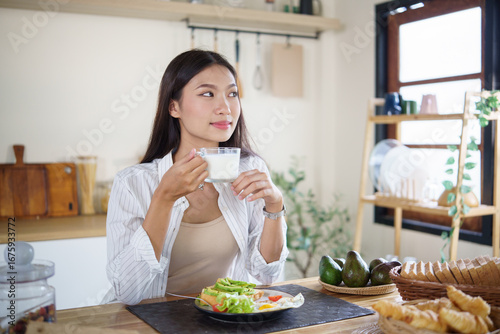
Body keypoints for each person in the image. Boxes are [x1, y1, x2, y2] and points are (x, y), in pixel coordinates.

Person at [104, 49, 288, 305]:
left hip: (219, 321)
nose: (225, 108)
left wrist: (275, 206)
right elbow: (128, 293)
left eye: (232, 94)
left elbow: (266, 275)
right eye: (208, 94)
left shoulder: (250, 168)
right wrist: (164, 198)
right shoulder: (133, 184)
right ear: (174, 107)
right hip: (144, 323)